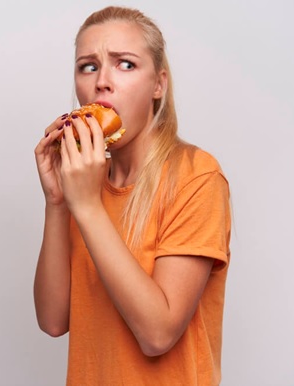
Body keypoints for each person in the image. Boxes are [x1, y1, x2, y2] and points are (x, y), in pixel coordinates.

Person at [33, 6, 231, 385]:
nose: (102, 82)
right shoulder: (84, 180)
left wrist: (87, 206)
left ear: (158, 84)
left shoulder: (197, 176)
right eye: (88, 67)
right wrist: (58, 202)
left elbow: (158, 334)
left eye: (125, 64)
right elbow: (53, 320)